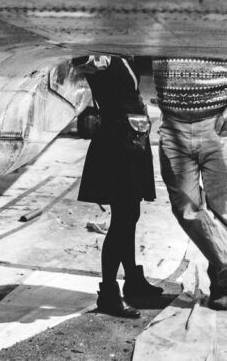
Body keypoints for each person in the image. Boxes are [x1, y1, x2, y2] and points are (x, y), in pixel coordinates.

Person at [153, 57, 227, 311]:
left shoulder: (226, 28)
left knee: (224, 207)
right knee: (184, 204)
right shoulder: (158, 29)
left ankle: (220, 285)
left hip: (220, 122)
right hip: (173, 125)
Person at [73, 55, 164, 318]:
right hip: (117, 144)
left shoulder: (122, 56)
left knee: (130, 215)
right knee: (123, 218)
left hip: (131, 140)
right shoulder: (103, 57)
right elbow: (84, 59)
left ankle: (133, 279)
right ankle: (109, 294)